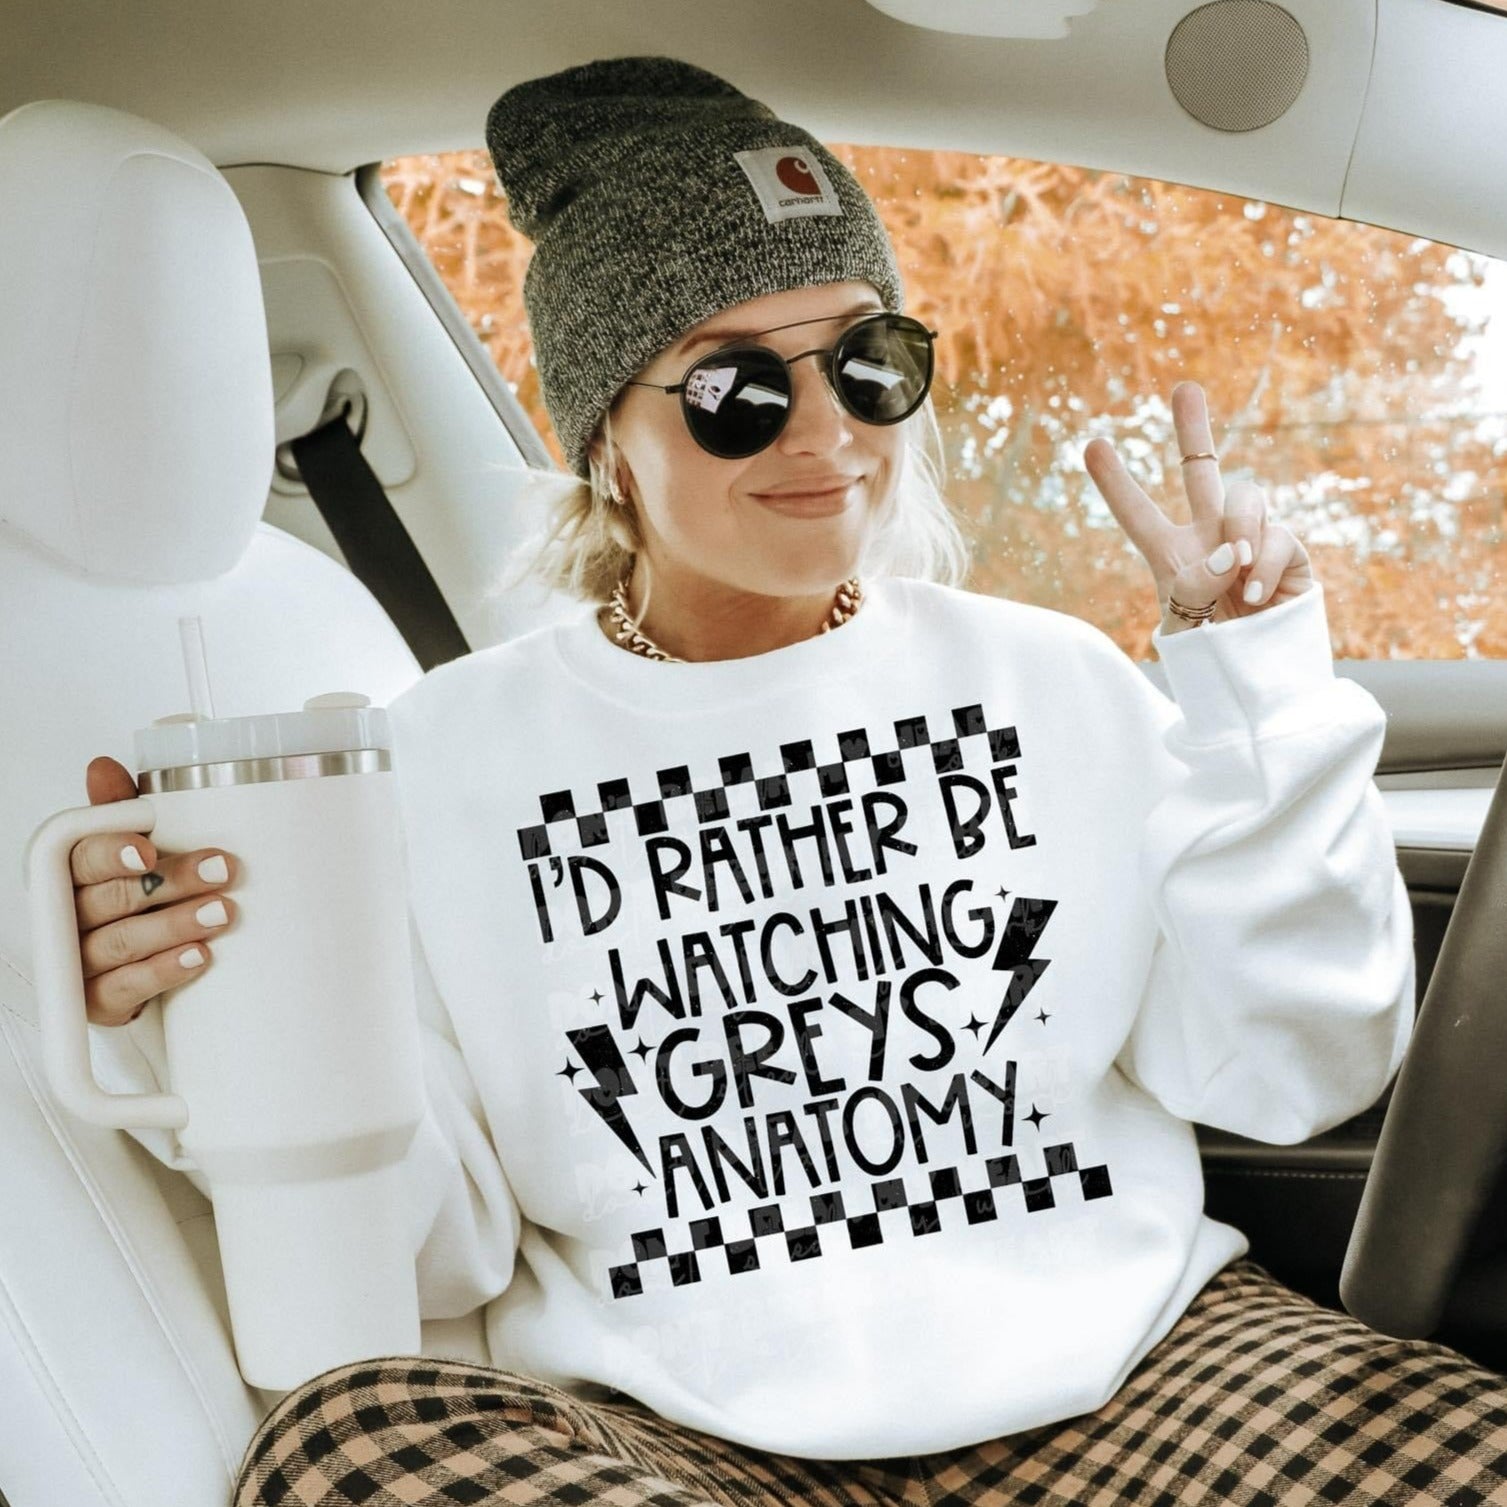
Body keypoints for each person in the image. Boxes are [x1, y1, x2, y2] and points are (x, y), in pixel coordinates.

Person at [70, 54, 1507, 1507]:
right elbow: (440, 1256)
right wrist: (213, 1016)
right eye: (736, 390)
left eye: (869, 364)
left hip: (1137, 1373)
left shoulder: (1052, 680)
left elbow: (1290, 1072)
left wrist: (1260, 695)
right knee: (344, 1442)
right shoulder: (434, 761)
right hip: (680, 1443)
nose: (827, 433)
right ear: (606, 442)